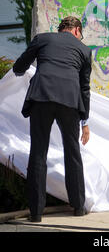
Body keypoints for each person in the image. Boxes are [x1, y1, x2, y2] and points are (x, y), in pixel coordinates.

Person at [13, 16, 92, 222]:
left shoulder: (42, 39)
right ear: (76, 30)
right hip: (69, 101)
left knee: (38, 152)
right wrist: (85, 121)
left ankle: (36, 213)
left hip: (42, 96)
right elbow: (85, 89)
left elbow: (20, 66)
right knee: (72, 153)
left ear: (61, 29)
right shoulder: (84, 50)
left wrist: (21, 70)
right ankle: (78, 207)